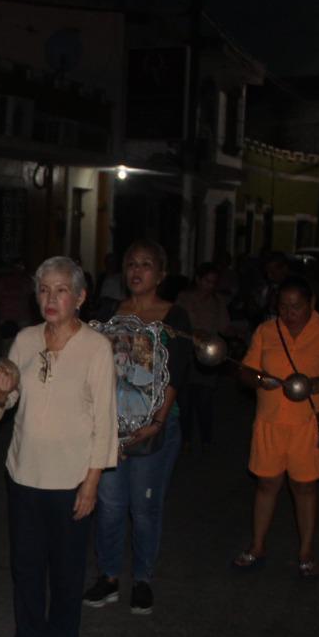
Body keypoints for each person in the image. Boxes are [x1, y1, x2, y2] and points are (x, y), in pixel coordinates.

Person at [0, 256, 118, 637]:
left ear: (80, 297)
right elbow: (3, 406)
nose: (51, 298)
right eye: (44, 289)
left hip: (70, 480)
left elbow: (105, 420)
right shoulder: (25, 340)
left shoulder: (96, 348)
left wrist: (91, 482)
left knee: (65, 572)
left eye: (61, 290)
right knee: (25, 567)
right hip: (24, 472)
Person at [82, 241, 192, 615]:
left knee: (144, 508)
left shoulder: (174, 317)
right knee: (110, 504)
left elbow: (174, 374)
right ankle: (108, 576)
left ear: (160, 274)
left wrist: (157, 422)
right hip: (113, 427)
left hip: (155, 427)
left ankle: (142, 578)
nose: (136, 270)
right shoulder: (110, 313)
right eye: (131, 263)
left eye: (146, 264)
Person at [232, 275, 319, 578]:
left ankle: (306, 551)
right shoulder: (267, 330)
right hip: (270, 422)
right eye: (283, 306)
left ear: (311, 303)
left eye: (296, 306)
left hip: (307, 424)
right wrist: (259, 379)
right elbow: (246, 370)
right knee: (266, 484)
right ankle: (257, 545)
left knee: (304, 487)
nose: (289, 313)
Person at [175, 261, 229, 452]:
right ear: (198, 280)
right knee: (185, 399)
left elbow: (223, 327)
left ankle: (206, 438)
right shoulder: (184, 298)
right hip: (189, 353)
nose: (210, 286)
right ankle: (186, 438)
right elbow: (177, 324)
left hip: (209, 354)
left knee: (205, 399)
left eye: (213, 282)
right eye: (206, 281)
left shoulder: (218, 302)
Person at [0, 260, 34, 344]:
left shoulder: (27, 280)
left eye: (21, 266)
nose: (19, 269)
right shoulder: (4, 281)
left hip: (22, 318)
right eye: (16, 266)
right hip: (6, 317)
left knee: (23, 345)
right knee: (7, 345)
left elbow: (32, 297)